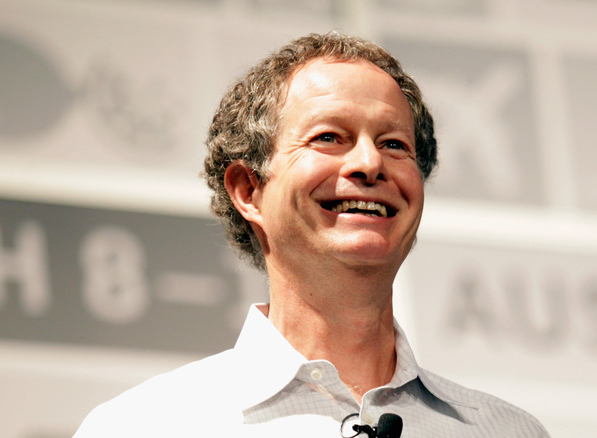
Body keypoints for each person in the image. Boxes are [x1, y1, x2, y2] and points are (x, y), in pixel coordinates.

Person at [74, 32, 550, 437]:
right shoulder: (146, 425)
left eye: (394, 144)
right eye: (329, 138)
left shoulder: (507, 431)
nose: (369, 163)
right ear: (249, 189)